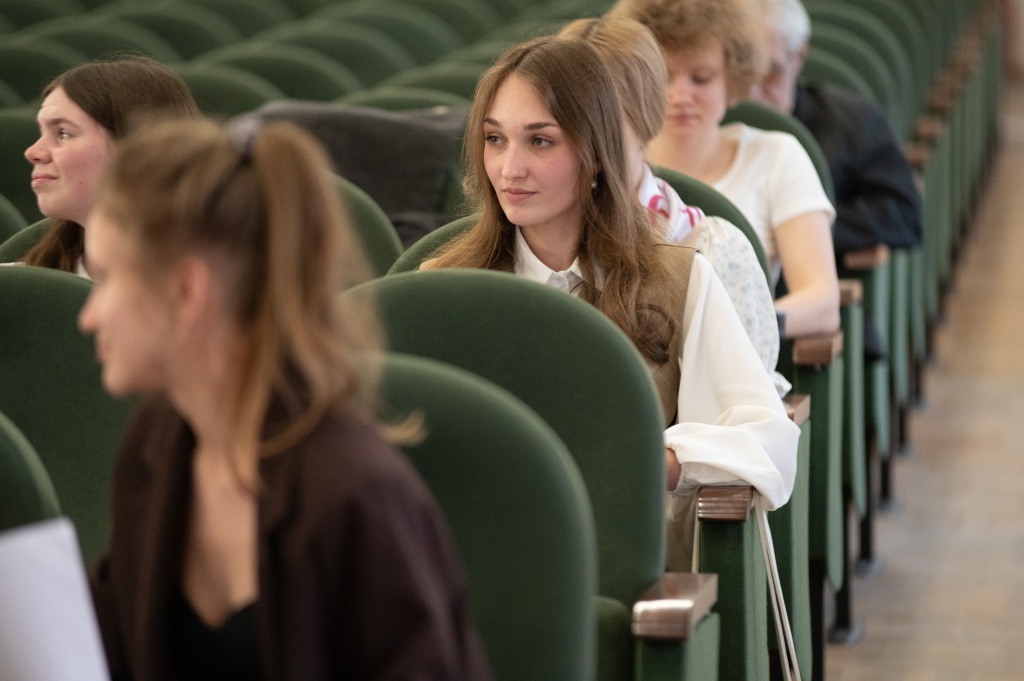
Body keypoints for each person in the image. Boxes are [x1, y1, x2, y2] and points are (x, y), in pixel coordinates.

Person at [81, 117, 493, 680]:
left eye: (107, 279)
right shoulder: (155, 447)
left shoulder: (355, 496)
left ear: (186, 291)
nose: (88, 315)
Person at [422, 36, 799, 569]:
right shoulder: (443, 287)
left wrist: (651, 462)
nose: (509, 168)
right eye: (495, 139)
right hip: (475, 566)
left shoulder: (680, 278)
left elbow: (768, 439)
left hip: (619, 573)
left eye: (540, 141)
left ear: (597, 154)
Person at [558, 15, 788, 393]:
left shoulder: (710, 250)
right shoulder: (528, 237)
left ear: (647, 119)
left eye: (606, 121)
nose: (587, 142)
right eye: (565, 125)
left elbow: (744, 408)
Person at [614, 0, 840, 338]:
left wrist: (734, 328)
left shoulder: (777, 157)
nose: (680, 95)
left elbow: (822, 302)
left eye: (701, 79)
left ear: (733, 78)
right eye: (663, 77)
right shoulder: (612, 165)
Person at [753, 0, 923, 259]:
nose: (752, 92)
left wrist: (799, 227)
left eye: (769, 72)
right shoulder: (708, 122)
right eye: (740, 71)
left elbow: (903, 215)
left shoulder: (853, 121)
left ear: (798, 55)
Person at [20, 57, 200, 275]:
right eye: (41, 133)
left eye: (63, 133)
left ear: (136, 150)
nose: (32, 152)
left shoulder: (222, 286)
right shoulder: (16, 288)